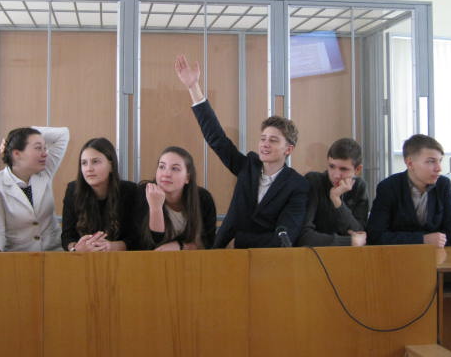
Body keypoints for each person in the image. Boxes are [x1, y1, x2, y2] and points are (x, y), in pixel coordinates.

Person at [174, 55, 309, 248]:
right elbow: (217, 139)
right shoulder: (249, 166)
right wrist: (193, 87)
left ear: (289, 149)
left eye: (273, 140)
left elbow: (284, 239)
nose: (265, 144)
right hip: (224, 252)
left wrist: (240, 242)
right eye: (263, 138)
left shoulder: (297, 185)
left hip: (265, 259)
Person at [0, 126, 69, 252]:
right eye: (38, 148)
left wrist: (19, 134)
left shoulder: (45, 170)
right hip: (19, 257)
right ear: (17, 154)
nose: (44, 153)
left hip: (54, 253)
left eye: (45, 148)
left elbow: (63, 134)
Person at [367, 134, 451, 248]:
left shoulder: (443, 185)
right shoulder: (388, 187)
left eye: (440, 161)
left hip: (435, 256)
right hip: (397, 256)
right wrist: (422, 239)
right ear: (410, 163)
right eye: (431, 161)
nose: (439, 168)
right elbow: (375, 236)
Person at [61, 138, 138, 252]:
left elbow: (137, 238)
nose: (89, 169)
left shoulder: (130, 191)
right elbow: (67, 237)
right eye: (84, 163)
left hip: (121, 258)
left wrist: (112, 246)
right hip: (82, 258)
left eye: (95, 162)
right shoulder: (73, 190)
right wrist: (76, 249)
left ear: (111, 165)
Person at [139, 146, 216, 251]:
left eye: (175, 169)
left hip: (190, 259)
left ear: (187, 177)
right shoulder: (143, 193)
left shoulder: (203, 198)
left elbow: (208, 243)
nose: (166, 174)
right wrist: (155, 208)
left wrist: (180, 246)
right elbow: (151, 245)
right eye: (162, 167)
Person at [297, 138, 368, 247]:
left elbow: (359, 234)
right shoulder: (314, 181)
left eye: (343, 169)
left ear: (357, 169)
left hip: (348, 255)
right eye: (332, 166)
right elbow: (304, 237)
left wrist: (337, 201)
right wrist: (349, 242)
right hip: (313, 254)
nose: (336, 175)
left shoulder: (359, 187)